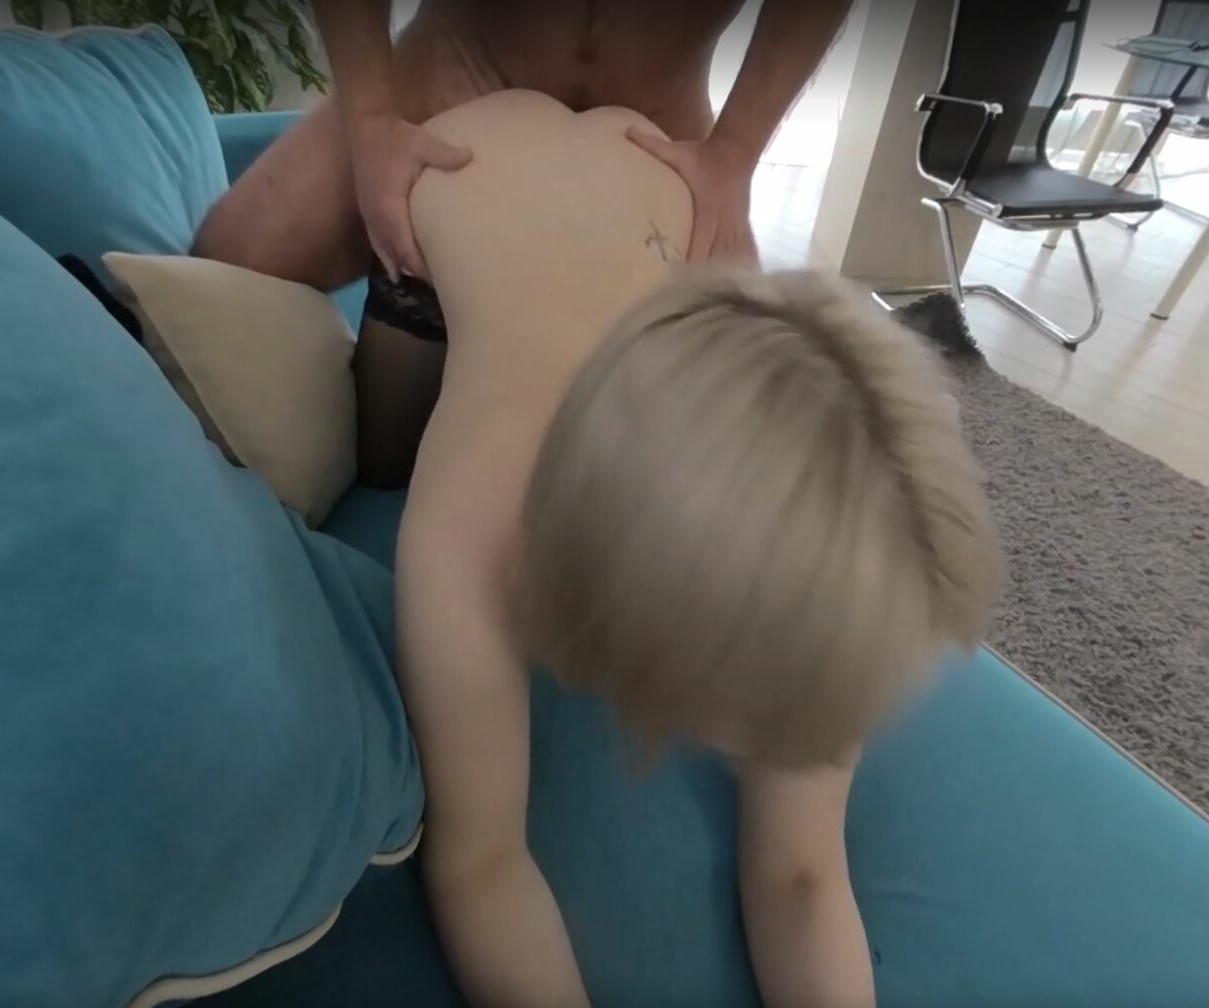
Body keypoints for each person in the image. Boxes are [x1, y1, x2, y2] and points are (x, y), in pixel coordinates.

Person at [385, 89, 1004, 1006]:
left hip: (655, 171)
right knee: (367, 444)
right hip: (457, 155)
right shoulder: (468, 525)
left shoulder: (817, 550)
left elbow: (801, 873)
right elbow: (479, 862)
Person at [193, 0, 855, 487]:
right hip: (442, 87)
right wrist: (368, 122)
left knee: (744, 452)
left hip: (657, 134)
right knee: (220, 275)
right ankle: (422, 332)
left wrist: (734, 153)